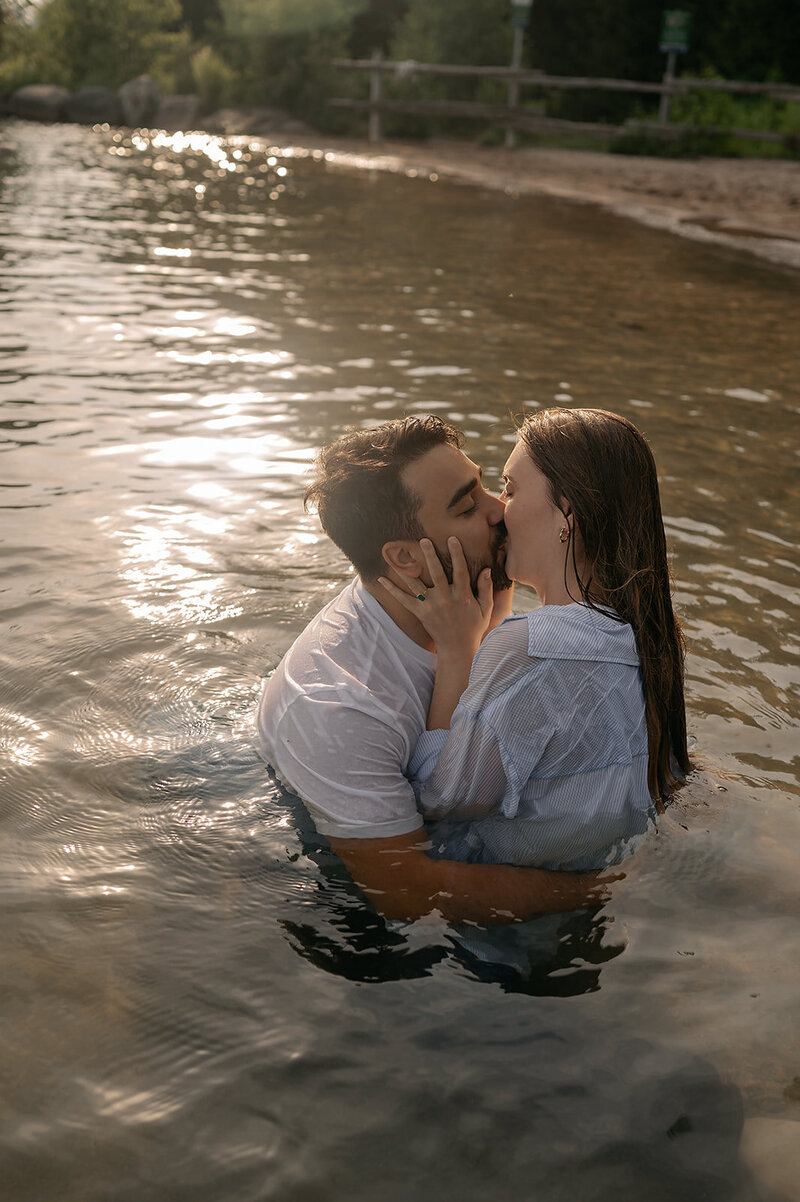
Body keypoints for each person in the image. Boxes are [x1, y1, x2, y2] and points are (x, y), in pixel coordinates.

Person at [257, 415, 615, 923]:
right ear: (405, 558)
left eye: (489, 487)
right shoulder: (338, 707)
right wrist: (613, 888)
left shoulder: (472, 593)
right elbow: (410, 894)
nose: (501, 510)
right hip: (345, 907)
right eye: (469, 506)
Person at [380, 407, 691, 870]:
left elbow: (442, 802)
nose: (498, 510)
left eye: (510, 488)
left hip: (504, 924)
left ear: (568, 513)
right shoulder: (645, 634)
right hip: (591, 890)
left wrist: (457, 650)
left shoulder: (529, 649)